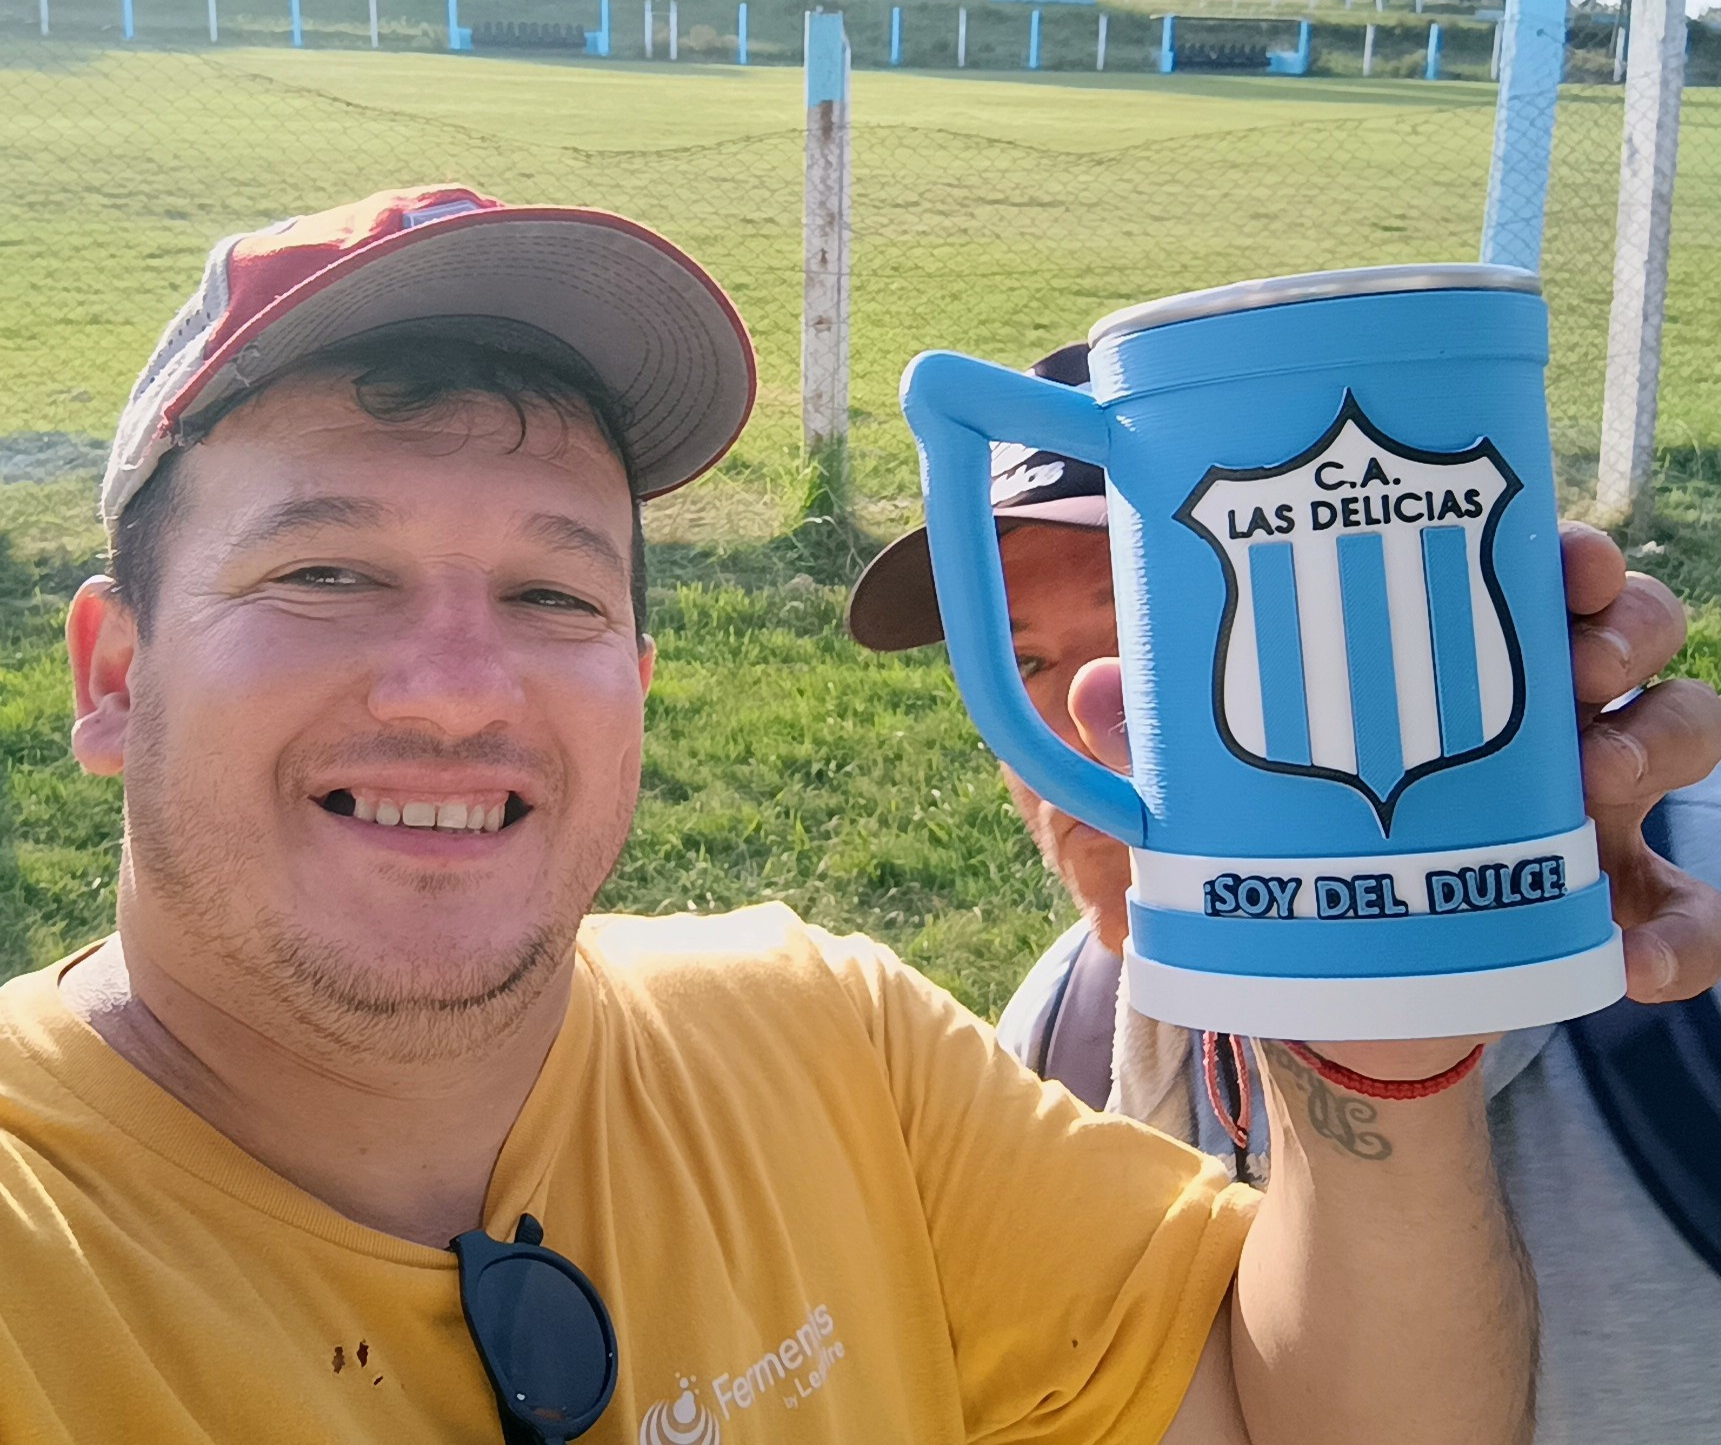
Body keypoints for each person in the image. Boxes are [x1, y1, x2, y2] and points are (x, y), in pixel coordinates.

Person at [2, 187, 1542, 1445]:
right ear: (116, 674)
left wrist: (1368, 1009)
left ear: (637, 680)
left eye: (553, 592)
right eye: (325, 572)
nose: (458, 692)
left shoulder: (830, 1043)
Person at [847, 339, 1721, 1444]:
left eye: (1144, 638)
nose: (1077, 725)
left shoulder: (1678, 901)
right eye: (1023, 662)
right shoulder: (1064, 1037)